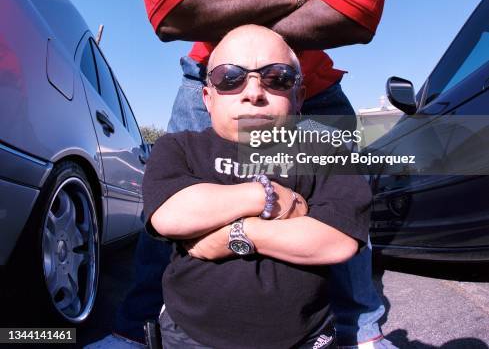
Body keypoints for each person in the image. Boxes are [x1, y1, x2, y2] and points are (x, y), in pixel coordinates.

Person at [86, 0, 391, 349]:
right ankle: (135, 329)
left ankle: (359, 330)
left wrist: (227, 12)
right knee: (170, 205)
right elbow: (172, 13)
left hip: (313, 86)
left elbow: (356, 11)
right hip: (211, 76)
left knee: (346, 202)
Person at [143, 24, 372, 349]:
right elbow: (171, 214)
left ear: (299, 97)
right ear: (207, 98)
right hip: (190, 336)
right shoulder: (178, 148)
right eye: (230, 77)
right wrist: (261, 196)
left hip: (306, 338)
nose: (254, 93)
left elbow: (337, 242)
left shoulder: (325, 151)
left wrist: (233, 236)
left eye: (277, 77)